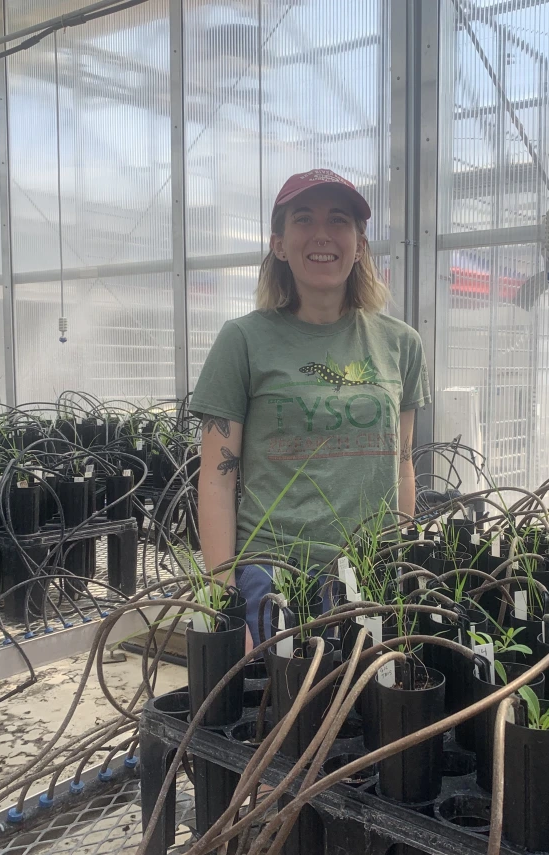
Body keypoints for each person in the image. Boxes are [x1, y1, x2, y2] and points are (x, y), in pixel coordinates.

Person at [190, 169, 431, 647]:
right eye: (304, 219)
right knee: (281, 715)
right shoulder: (243, 341)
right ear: (279, 243)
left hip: (371, 572)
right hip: (275, 575)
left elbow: (402, 465)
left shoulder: (401, 344)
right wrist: (223, 595)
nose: (322, 234)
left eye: (338, 220)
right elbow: (217, 478)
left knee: (368, 709)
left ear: (359, 244)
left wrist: (404, 560)